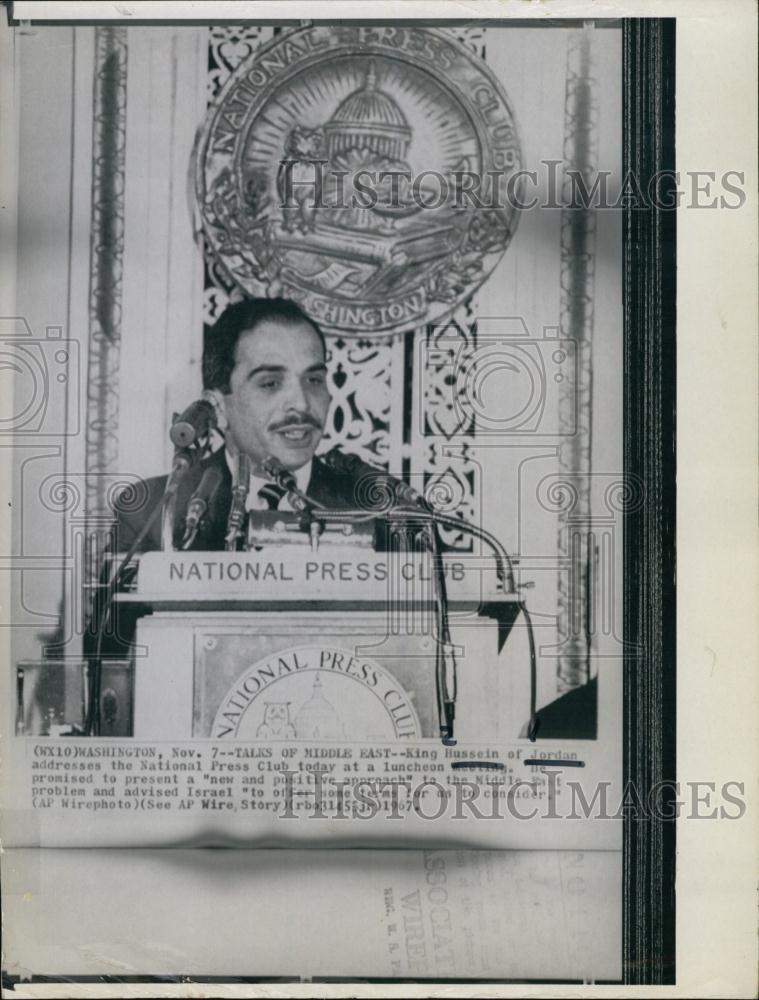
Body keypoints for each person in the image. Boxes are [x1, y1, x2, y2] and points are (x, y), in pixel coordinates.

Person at [112, 297, 386, 554]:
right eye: (270, 384)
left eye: (313, 380)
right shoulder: (152, 512)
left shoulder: (374, 511)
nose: (302, 404)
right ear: (218, 408)